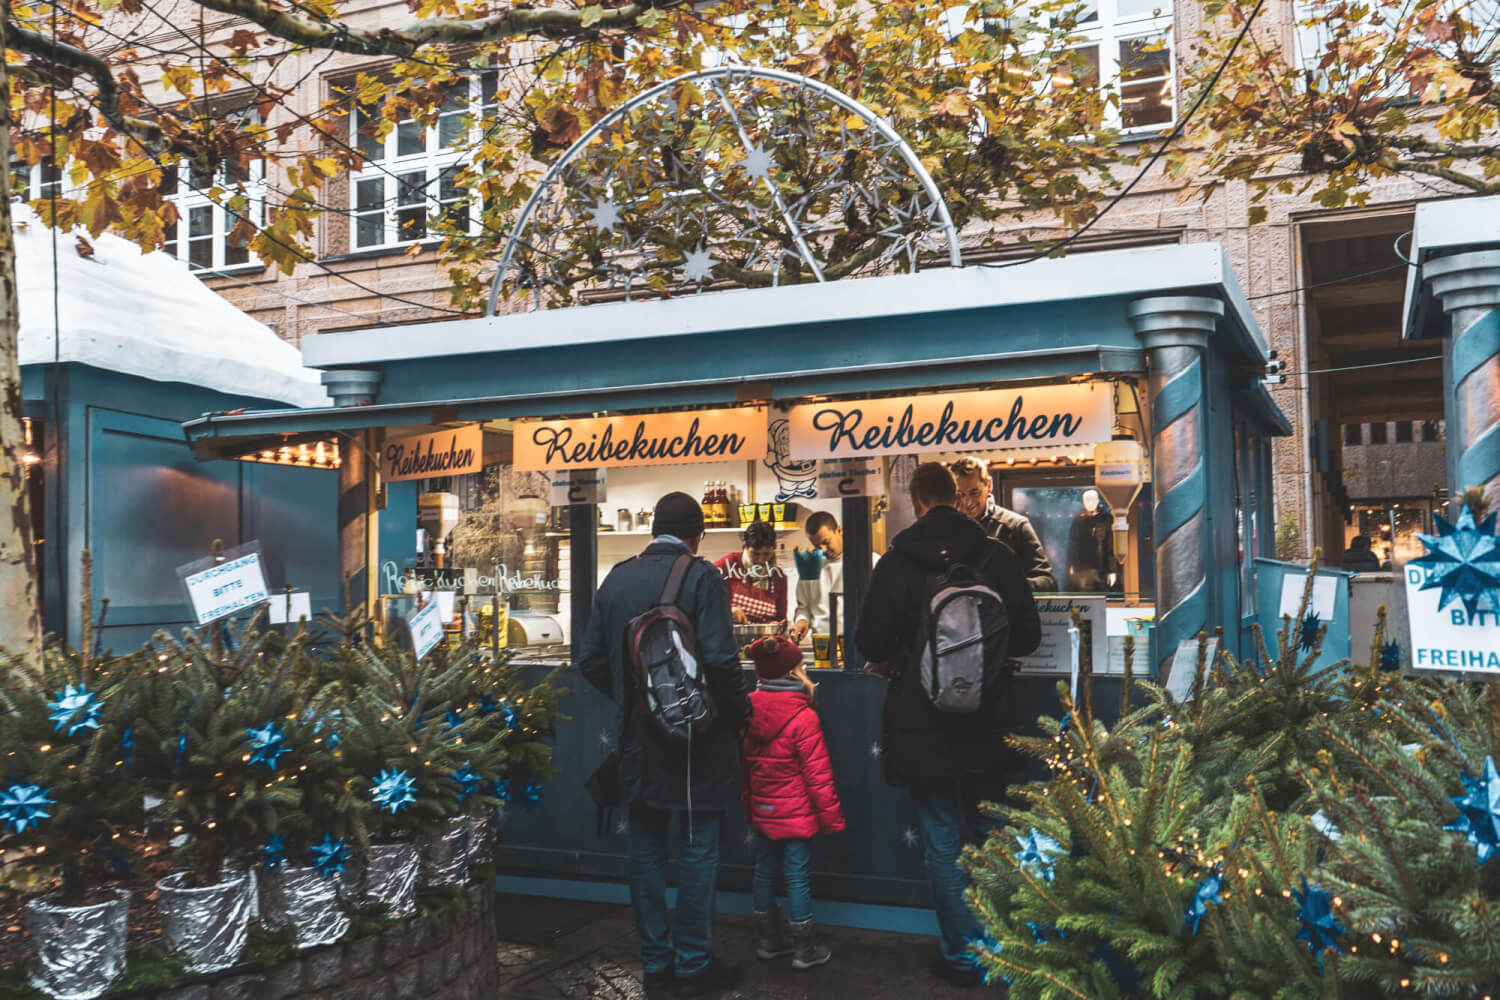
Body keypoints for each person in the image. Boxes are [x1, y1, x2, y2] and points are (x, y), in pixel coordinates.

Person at [855, 462, 1042, 988]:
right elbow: (1027, 636)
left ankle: (961, 955)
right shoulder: (995, 555)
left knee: (941, 841)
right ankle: (1003, 951)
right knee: (992, 834)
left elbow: (871, 643)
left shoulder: (896, 561)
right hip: (990, 718)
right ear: (955, 499)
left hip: (923, 724)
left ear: (916, 502)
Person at [577, 492, 753, 999]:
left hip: (639, 742)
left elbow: (590, 659)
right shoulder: (702, 577)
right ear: (697, 534)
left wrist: (640, 699)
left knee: (647, 850)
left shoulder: (616, 578)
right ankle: (694, 964)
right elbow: (720, 661)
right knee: (698, 849)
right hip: (700, 741)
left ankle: (655, 962)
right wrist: (740, 716)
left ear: (654, 528)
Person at [741, 635, 845, 971]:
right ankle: (804, 948)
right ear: (793, 672)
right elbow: (819, 775)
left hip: (762, 809)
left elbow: (743, 766)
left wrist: (749, 805)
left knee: (764, 871)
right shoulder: (804, 716)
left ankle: (769, 941)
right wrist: (832, 819)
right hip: (797, 814)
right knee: (797, 875)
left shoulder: (747, 708)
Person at [948, 456, 1057, 592]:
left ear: (988, 485)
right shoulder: (947, 530)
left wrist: (1009, 587)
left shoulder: (1016, 526)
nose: (967, 502)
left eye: (974, 493)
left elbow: (1048, 582)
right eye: (960, 495)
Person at [790, 510, 877, 643]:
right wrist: (801, 620)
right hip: (823, 645)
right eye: (817, 546)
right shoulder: (809, 566)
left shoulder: (869, 561)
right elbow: (803, 607)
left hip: (860, 643)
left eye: (826, 542)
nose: (823, 550)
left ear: (839, 530)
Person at [715, 520, 788, 625]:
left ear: (774, 547)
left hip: (764, 639)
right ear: (745, 546)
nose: (761, 560)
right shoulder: (729, 564)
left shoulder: (778, 577)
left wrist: (777, 627)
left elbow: (781, 619)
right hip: (729, 637)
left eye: (766, 554)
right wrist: (727, 611)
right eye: (755, 554)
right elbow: (704, 598)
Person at [1065, 487, 1118, 592]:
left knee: (1101, 595)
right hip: (1082, 569)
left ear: (1097, 501)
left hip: (1101, 568)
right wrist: (1071, 564)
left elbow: (1110, 546)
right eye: (1086, 500)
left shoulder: (1106, 519)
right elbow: (1073, 544)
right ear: (1083, 502)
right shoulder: (1078, 520)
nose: (1089, 503)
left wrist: (1112, 570)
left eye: (1092, 500)